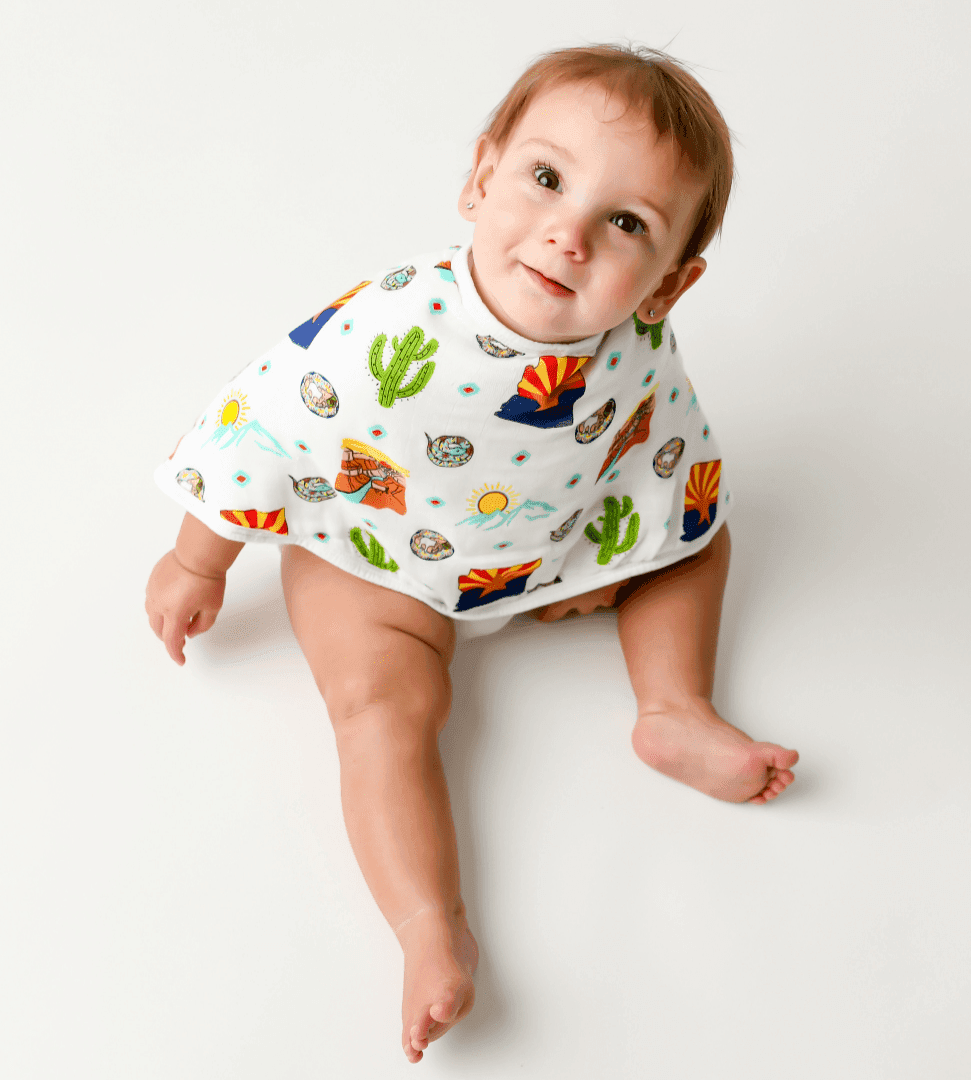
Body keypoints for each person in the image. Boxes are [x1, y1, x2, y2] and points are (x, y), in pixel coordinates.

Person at [145, 43, 799, 1064]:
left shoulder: (636, 343)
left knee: (696, 539)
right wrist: (199, 560)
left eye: (625, 223)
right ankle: (427, 929)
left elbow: (657, 447)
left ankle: (674, 709)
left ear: (672, 282)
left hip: (547, 540)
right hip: (376, 548)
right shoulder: (386, 327)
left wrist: (610, 553)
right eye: (546, 179)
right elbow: (265, 427)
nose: (567, 235)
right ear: (481, 177)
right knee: (382, 710)